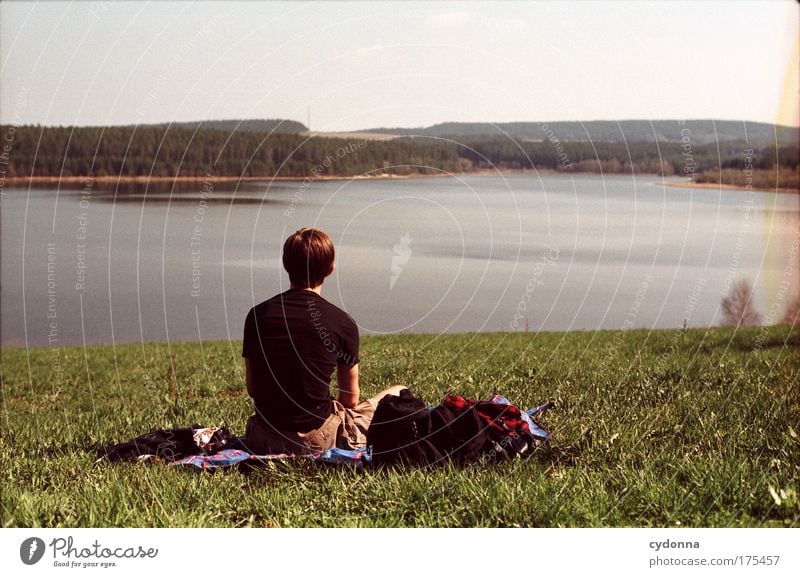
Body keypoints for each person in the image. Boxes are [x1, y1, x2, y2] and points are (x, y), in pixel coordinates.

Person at [242, 227, 405, 454]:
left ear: (286, 265)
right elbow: (350, 399)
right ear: (330, 269)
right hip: (316, 440)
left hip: (262, 437)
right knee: (399, 392)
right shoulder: (342, 322)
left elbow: (253, 388)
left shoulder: (257, 316)